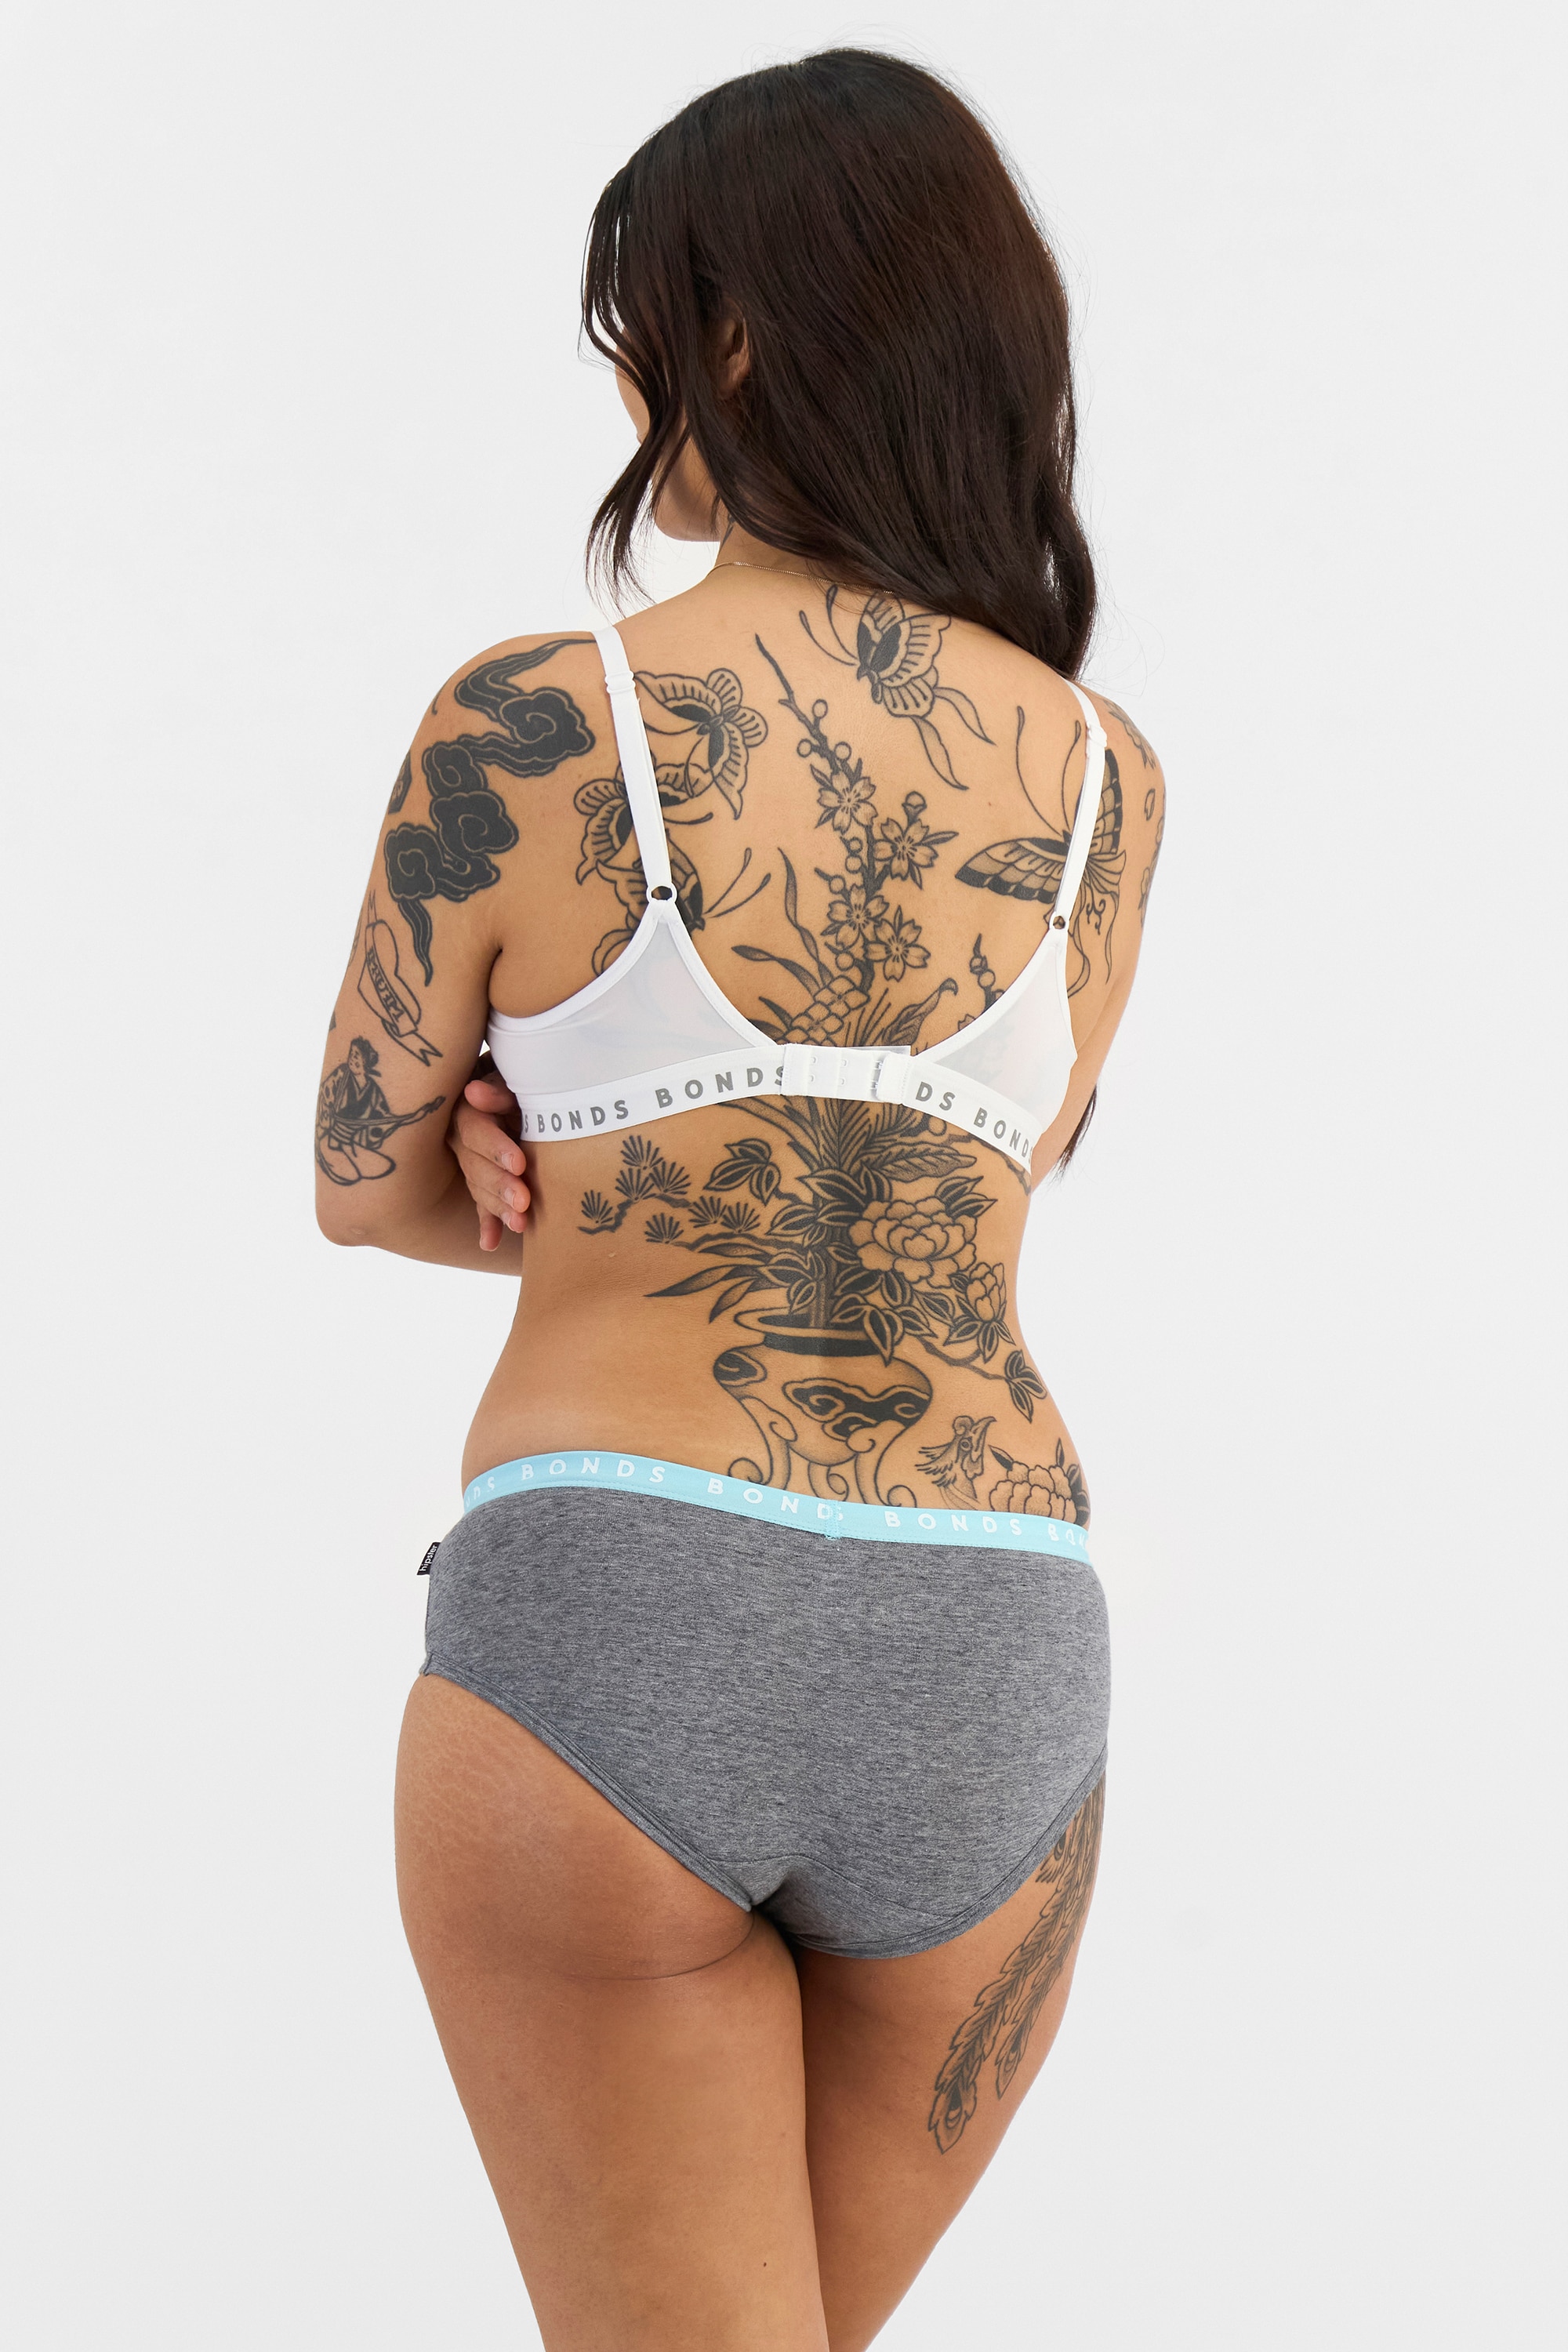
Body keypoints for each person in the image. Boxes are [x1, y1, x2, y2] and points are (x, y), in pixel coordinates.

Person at [316, 47, 1164, 2351]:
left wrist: (499, 1156)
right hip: (995, 1644)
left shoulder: (533, 719)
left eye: (647, 324)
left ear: (751, 331)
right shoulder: (1107, 784)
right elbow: (994, 1176)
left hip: (624, 1607)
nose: (630, 386)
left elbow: (360, 1181)